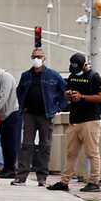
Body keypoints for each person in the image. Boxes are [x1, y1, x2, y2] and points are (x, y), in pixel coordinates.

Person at [49, 53, 101, 193]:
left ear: (84, 65)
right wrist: (68, 94)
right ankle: (64, 182)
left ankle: (94, 182)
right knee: (71, 153)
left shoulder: (94, 77)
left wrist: (82, 97)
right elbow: (66, 91)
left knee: (92, 152)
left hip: (90, 119)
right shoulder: (72, 76)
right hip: (75, 119)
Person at [11, 48, 66, 186]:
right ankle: (21, 176)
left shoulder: (53, 75)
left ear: (44, 58)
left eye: (39, 57)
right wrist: (23, 106)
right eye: (35, 57)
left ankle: (42, 177)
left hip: (46, 115)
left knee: (45, 145)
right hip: (29, 114)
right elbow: (20, 91)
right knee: (26, 145)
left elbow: (64, 92)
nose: (37, 59)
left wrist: (58, 107)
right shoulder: (26, 76)